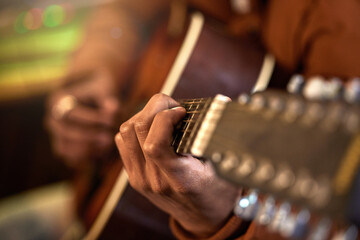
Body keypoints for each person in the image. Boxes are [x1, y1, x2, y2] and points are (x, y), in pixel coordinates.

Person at [46, 0, 360, 239]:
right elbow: (121, 13)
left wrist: (221, 220)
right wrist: (92, 74)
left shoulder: (338, 22)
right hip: (86, 198)